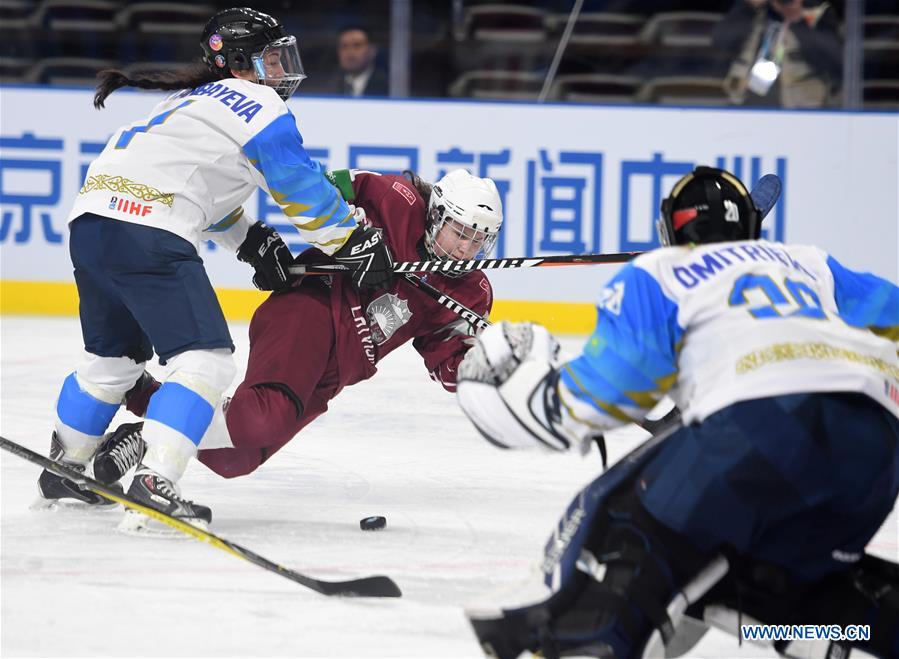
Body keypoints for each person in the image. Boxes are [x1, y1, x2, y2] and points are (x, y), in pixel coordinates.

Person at [455, 166, 899, 658]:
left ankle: (588, 641)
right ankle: (839, 633)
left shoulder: (659, 272)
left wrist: (544, 399)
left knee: (624, 525)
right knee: (773, 576)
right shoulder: (809, 263)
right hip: (877, 439)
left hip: (762, 425)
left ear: (669, 230)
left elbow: (616, 389)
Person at [37, 7, 395, 531]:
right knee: (204, 362)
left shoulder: (186, 100)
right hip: (149, 232)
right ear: (241, 64)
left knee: (111, 361)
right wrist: (354, 241)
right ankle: (156, 480)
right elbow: (299, 187)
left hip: (91, 225)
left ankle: (65, 467)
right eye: (271, 58)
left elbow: (202, 188)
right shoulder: (256, 102)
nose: (281, 69)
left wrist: (249, 240)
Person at [89, 168, 503, 488]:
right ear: (436, 215)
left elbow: (447, 361)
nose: (466, 249)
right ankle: (154, 430)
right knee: (260, 421)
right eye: (460, 233)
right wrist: (351, 229)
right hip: (312, 310)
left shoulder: (471, 290)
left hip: (340, 368)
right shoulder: (395, 198)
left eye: (478, 240)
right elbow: (319, 186)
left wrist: (480, 366)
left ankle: (144, 398)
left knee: (235, 460)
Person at [713, 0, 843, 108]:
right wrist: (748, 7)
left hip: (801, 110)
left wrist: (797, 20)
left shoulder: (815, 10)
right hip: (746, 107)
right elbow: (721, 42)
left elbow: (835, 60)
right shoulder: (753, 9)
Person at [326, 25, 389, 97]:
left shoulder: (389, 85)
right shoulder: (329, 84)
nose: (350, 52)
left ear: (372, 51)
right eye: (344, 46)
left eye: (357, 45)